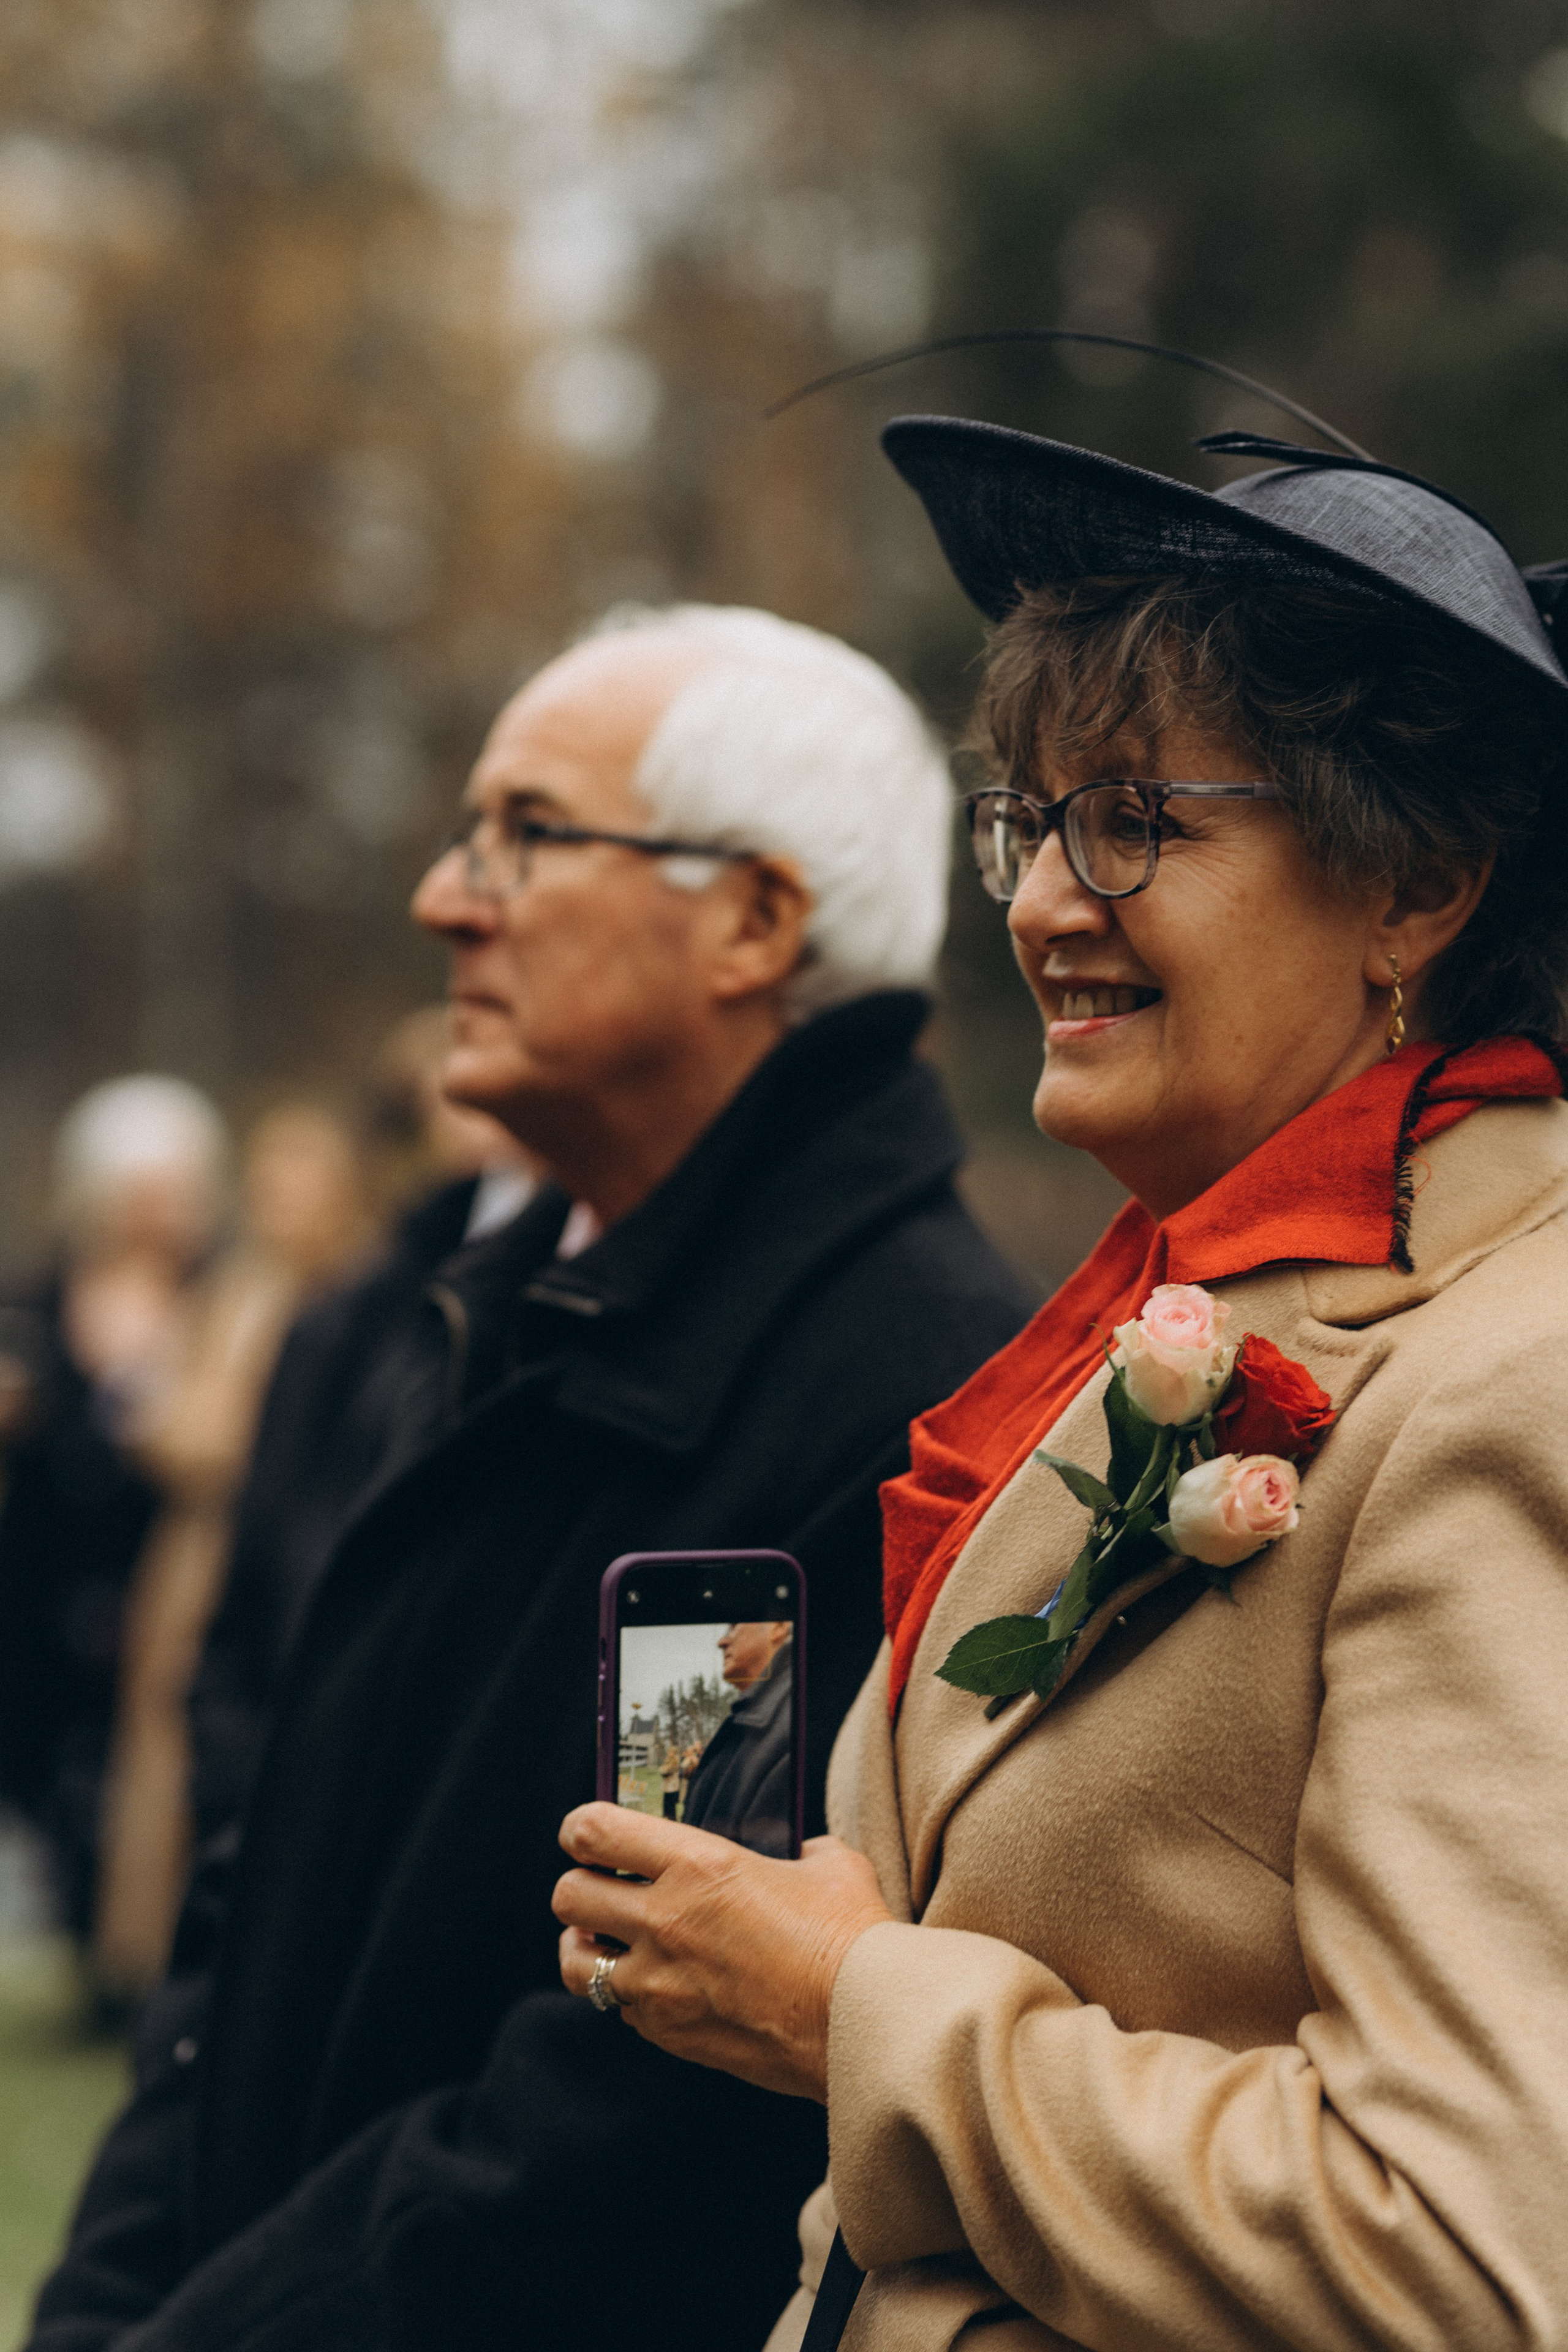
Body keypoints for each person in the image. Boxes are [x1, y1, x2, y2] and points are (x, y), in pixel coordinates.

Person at [554, 429, 1568, 2350]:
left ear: (1418, 884)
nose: (1038, 903)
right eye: (1025, 821)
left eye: (1136, 821)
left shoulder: (1511, 1383)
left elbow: (1465, 2248)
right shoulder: (1169, 1317)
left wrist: (860, 2014)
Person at [29, 603, 1033, 2352]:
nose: (445, 896)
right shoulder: (507, 1308)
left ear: (754, 919)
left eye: (530, 834)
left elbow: (640, 2088)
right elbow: (249, 1898)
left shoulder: (889, 1389)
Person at [187, 1013, 540, 1842]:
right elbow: (260, 1583)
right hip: (311, 1786)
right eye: (445, 1104)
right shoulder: (346, 1321)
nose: (471, 1124)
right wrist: (249, 1808)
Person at [92, 1104, 374, 2005]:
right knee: (165, 1750)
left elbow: (239, 1435)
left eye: (299, 1184)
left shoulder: (355, 1299)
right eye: (267, 1185)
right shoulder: (235, 1288)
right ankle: (145, 1953)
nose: (279, 1204)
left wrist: (182, 1429)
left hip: (281, 1545)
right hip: (192, 1552)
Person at [0, 1076, 229, 1966]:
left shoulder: (223, 1297)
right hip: (50, 1560)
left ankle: (137, 1941)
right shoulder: (41, 1294)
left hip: (162, 1563)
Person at [681, 1621, 794, 1855]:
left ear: (779, 1627)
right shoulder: (759, 1717)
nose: (722, 1642)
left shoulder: (792, 1717)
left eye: (733, 1626)